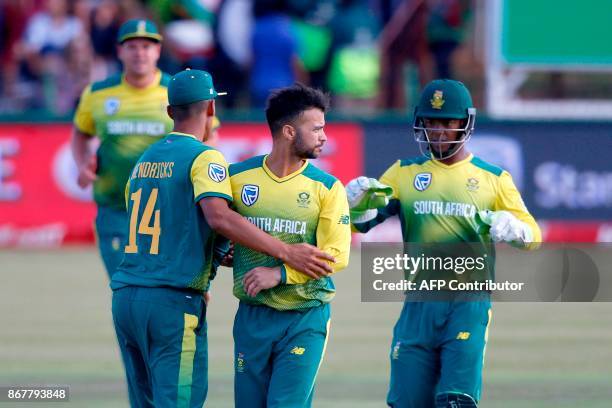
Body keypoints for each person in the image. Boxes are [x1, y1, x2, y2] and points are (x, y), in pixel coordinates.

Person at [111, 69, 335, 407]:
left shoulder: (146, 159)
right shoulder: (205, 156)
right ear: (211, 110)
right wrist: (286, 252)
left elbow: (157, 220)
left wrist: (210, 259)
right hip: (171, 301)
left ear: (171, 112)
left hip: (126, 297)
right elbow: (218, 216)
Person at [347, 79, 541, 407]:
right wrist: (355, 206)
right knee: (406, 402)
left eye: (447, 123)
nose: (437, 131)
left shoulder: (493, 178)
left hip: (468, 304)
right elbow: (363, 224)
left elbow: (534, 237)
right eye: (430, 122)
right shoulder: (404, 172)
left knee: (455, 401)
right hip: (418, 305)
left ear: (465, 124)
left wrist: (516, 230)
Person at [229, 83, 351, 407]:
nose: (324, 137)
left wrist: (280, 274)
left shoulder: (327, 187)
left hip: (304, 316)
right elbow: (218, 227)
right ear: (288, 131)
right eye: (317, 129)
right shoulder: (238, 177)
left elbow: (335, 257)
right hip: (251, 317)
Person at [72, 19, 172, 278]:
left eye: (146, 46)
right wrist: (83, 163)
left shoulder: (176, 90)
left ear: (158, 51)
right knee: (123, 284)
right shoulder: (98, 93)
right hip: (114, 207)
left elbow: (208, 137)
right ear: (120, 51)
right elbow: (81, 134)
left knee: (163, 286)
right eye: (132, 46)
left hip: (166, 207)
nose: (140, 52)